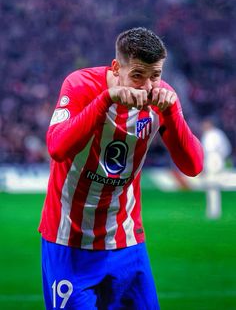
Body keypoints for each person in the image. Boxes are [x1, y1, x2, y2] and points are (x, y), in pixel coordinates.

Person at [39, 27, 204, 309]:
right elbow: (56, 148)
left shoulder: (161, 97)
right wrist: (106, 100)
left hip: (126, 242)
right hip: (69, 243)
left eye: (156, 75)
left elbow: (193, 166)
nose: (148, 86)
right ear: (116, 68)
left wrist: (171, 112)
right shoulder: (80, 85)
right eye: (138, 75)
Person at [201, 118, 232, 218]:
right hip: (210, 159)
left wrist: (220, 158)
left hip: (215, 158)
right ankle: (212, 211)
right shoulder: (206, 134)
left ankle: (215, 212)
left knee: (214, 185)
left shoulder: (217, 133)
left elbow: (226, 148)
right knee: (210, 186)